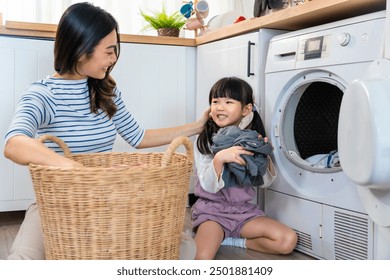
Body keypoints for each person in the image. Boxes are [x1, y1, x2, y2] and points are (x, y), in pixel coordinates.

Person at [3, 2, 209, 260]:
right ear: (81, 49)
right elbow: (14, 144)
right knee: (23, 260)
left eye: (115, 51)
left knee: (180, 245)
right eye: (109, 51)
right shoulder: (43, 94)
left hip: (109, 199)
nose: (113, 59)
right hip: (60, 204)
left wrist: (196, 127)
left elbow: (139, 136)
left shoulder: (105, 91)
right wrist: (79, 171)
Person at [191, 77, 297, 260]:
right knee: (203, 257)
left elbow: (264, 183)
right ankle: (216, 236)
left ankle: (231, 240)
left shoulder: (251, 140)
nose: (220, 107)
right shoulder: (204, 141)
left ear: (246, 109)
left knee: (287, 240)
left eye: (228, 102)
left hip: (243, 212)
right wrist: (219, 159)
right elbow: (208, 186)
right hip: (212, 213)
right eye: (215, 101)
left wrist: (262, 157)